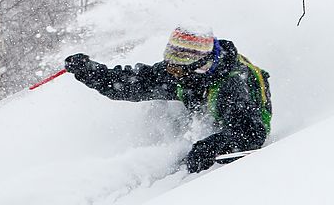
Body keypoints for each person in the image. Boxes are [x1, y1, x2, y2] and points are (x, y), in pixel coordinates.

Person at [64, 26, 271, 173]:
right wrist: (90, 72)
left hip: (238, 125)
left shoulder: (231, 87)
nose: (170, 69)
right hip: (206, 110)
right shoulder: (180, 73)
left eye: (177, 64)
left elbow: (251, 135)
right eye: (170, 59)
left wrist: (211, 145)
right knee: (156, 108)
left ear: (198, 65)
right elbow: (134, 84)